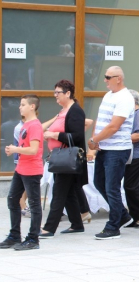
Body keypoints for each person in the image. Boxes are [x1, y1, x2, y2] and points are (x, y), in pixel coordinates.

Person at [88, 66, 135, 240]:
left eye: (108, 77)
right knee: (99, 182)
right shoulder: (108, 95)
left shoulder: (125, 98)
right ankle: (122, 214)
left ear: (118, 79)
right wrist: (95, 138)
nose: (105, 80)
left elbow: (114, 126)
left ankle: (113, 226)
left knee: (112, 187)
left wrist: (95, 140)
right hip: (105, 147)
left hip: (117, 149)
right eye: (105, 77)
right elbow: (101, 120)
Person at [39, 80, 87, 238]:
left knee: (59, 193)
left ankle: (49, 228)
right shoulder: (63, 111)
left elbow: (78, 135)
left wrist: (53, 135)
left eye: (58, 93)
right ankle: (77, 224)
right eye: (54, 93)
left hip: (67, 158)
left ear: (68, 93)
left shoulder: (75, 111)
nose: (55, 96)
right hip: (60, 158)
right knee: (68, 193)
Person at [0, 95, 43, 250]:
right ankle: (14, 235)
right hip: (21, 168)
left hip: (32, 169)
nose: (20, 107)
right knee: (12, 199)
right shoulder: (25, 125)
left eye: (23, 104)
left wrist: (15, 149)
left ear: (32, 106)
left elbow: (33, 149)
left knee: (34, 204)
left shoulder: (35, 126)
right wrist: (14, 150)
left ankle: (33, 239)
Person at [123, 90, 139, 228]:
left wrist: (120, 138)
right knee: (130, 186)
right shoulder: (132, 114)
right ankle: (137, 216)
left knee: (129, 185)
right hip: (132, 155)